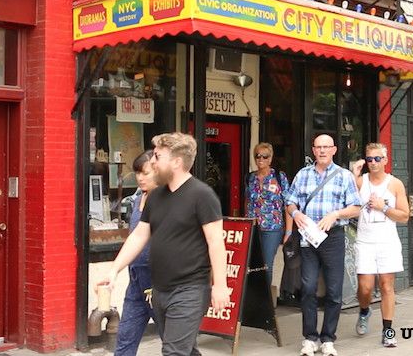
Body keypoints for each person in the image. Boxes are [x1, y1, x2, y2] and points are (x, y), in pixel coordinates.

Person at [99, 132, 231, 356]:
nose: (152, 162)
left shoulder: (202, 195)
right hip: (159, 289)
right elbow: (139, 236)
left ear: (177, 162)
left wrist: (220, 285)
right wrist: (114, 270)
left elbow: (216, 242)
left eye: (157, 157)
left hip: (189, 289)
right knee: (184, 350)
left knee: (173, 351)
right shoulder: (156, 195)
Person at [286, 134, 361, 356]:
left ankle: (328, 338)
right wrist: (296, 213)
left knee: (334, 290)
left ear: (334, 150)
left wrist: (336, 214)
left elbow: (356, 208)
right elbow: (289, 200)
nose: (322, 151)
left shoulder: (344, 175)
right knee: (308, 288)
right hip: (309, 238)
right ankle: (310, 338)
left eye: (326, 147)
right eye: (318, 147)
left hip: (333, 237)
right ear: (313, 150)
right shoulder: (303, 174)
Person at [350, 143, 409, 348]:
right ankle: (365, 310)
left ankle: (388, 331)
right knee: (365, 288)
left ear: (385, 160)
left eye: (377, 159)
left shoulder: (395, 184)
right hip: (365, 241)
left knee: (386, 286)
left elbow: (404, 216)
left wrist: (383, 207)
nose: (373, 163)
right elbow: (346, 203)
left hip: (387, 242)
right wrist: (353, 174)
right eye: (369, 159)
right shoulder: (360, 182)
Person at [114, 150, 159, 355]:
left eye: (145, 173)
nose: (140, 177)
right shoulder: (137, 198)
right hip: (135, 278)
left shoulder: (166, 201)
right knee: (125, 338)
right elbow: (136, 237)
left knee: (177, 343)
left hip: (158, 281)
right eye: (137, 173)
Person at [245, 142, 290, 286]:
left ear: (270, 159)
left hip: (272, 229)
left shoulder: (279, 177)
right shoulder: (250, 178)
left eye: (265, 156)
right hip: (253, 228)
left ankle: (265, 303)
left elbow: (288, 205)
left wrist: (288, 231)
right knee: (252, 264)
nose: (261, 159)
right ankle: (253, 299)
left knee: (266, 265)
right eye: (258, 156)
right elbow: (247, 202)